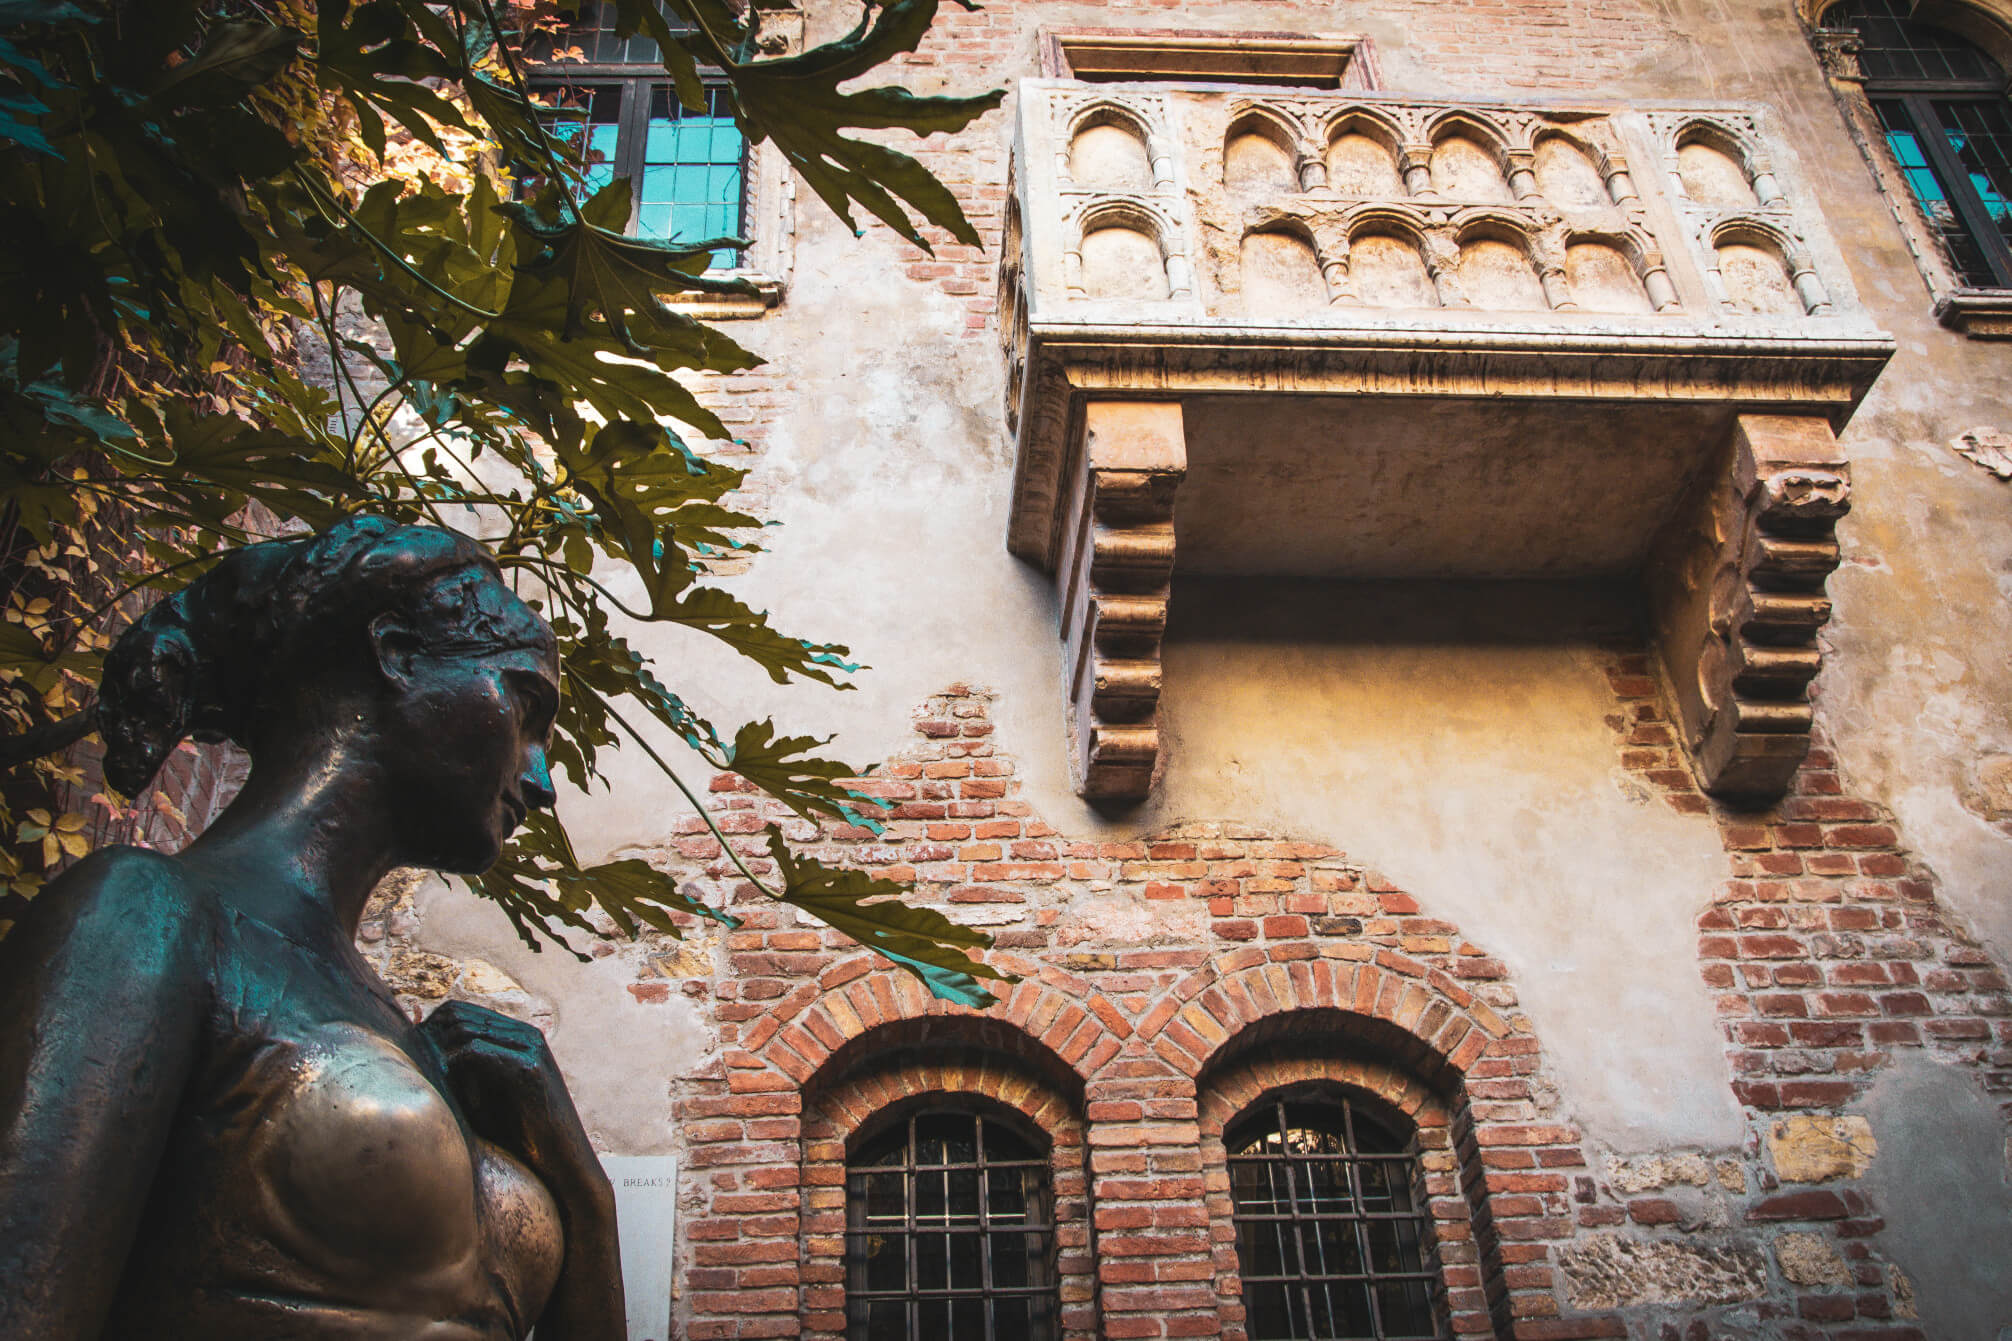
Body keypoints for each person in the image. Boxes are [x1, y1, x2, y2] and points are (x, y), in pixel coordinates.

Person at [0, 518, 625, 1340]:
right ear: (397, 654)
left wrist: (585, 1195)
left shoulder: (403, 1027)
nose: (542, 780)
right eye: (526, 706)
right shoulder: (146, 915)